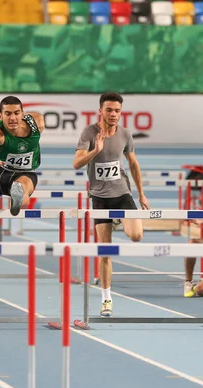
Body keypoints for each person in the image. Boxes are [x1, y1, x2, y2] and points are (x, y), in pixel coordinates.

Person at [73, 92, 149, 318]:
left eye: (117, 110)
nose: (113, 114)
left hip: (122, 194)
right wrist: (95, 151)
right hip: (99, 197)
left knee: (136, 236)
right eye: (109, 110)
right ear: (100, 111)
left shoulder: (125, 133)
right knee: (104, 252)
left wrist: (142, 195)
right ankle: (106, 298)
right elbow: (76, 163)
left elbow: (133, 164)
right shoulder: (89, 132)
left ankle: (120, 219)